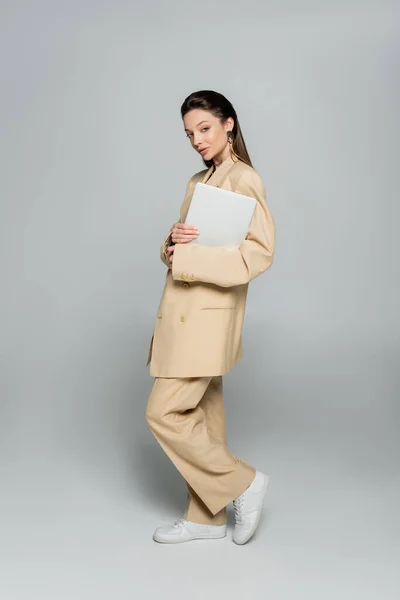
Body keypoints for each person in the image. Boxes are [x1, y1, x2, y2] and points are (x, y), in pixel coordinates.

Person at [145, 90, 276, 545]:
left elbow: (257, 255)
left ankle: (243, 482)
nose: (197, 140)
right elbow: (179, 251)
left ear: (229, 125)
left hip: (207, 318)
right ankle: (205, 517)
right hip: (186, 315)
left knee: (164, 413)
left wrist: (189, 259)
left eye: (204, 128)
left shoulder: (243, 179)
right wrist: (171, 242)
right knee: (203, 415)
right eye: (189, 133)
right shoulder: (198, 181)